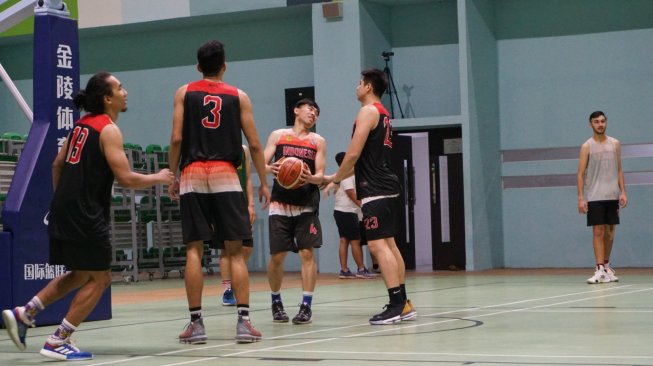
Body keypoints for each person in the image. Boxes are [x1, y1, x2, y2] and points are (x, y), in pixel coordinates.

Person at [2, 72, 175, 361]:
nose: (125, 92)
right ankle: (59, 340)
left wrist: (62, 199)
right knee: (101, 278)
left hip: (62, 210)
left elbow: (57, 164)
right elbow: (126, 179)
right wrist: (158, 176)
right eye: (120, 88)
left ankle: (26, 312)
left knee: (81, 273)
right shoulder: (108, 130)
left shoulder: (80, 126)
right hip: (86, 214)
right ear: (108, 98)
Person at [168, 40, 271, 344]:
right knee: (235, 250)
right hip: (227, 173)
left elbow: (176, 138)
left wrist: (173, 174)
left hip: (192, 172)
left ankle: (196, 324)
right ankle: (243, 322)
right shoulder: (239, 96)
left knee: (193, 250)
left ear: (198, 66)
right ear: (224, 66)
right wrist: (264, 182)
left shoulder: (184, 92)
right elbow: (253, 144)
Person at [324, 68, 416, 325]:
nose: (356, 87)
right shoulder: (384, 115)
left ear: (368, 87)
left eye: (359, 83)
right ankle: (404, 302)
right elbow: (360, 160)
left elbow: (352, 154)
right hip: (386, 184)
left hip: (375, 187)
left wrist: (338, 179)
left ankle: (396, 304)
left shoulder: (367, 111)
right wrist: (332, 178)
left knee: (377, 246)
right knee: (389, 244)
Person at [264, 98, 325, 325]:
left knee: (307, 253)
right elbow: (261, 163)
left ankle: (306, 306)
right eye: (310, 109)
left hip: (307, 202)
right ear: (296, 110)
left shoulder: (318, 141)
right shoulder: (278, 135)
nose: (313, 113)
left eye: (317, 112)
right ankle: (276, 301)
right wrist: (271, 169)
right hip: (280, 202)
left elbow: (320, 174)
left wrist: (310, 177)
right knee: (277, 257)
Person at [577, 111, 627, 284]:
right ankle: (599, 269)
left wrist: (623, 192)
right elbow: (580, 174)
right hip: (595, 195)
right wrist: (581, 198)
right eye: (596, 122)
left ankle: (606, 267)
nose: (600, 124)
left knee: (610, 232)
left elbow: (619, 169)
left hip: (612, 194)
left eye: (603, 121)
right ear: (590, 124)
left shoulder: (615, 144)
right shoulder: (587, 146)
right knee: (598, 231)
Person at [218, 145, 255, 306]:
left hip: (240, 202)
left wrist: (251, 204)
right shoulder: (216, 147)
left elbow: (247, 178)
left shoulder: (243, 149)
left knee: (246, 247)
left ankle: (234, 282)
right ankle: (227, 289)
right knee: (226, 248)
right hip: (221, 201)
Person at [331, 152, 374, 279]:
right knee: (355, 241)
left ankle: (344, 270)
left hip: (342, 211)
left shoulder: (342, 174)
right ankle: (361, 269)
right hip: (347, 211)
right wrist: (363, 206)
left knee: (344, 240)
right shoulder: (346, 175)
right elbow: (351, 193)